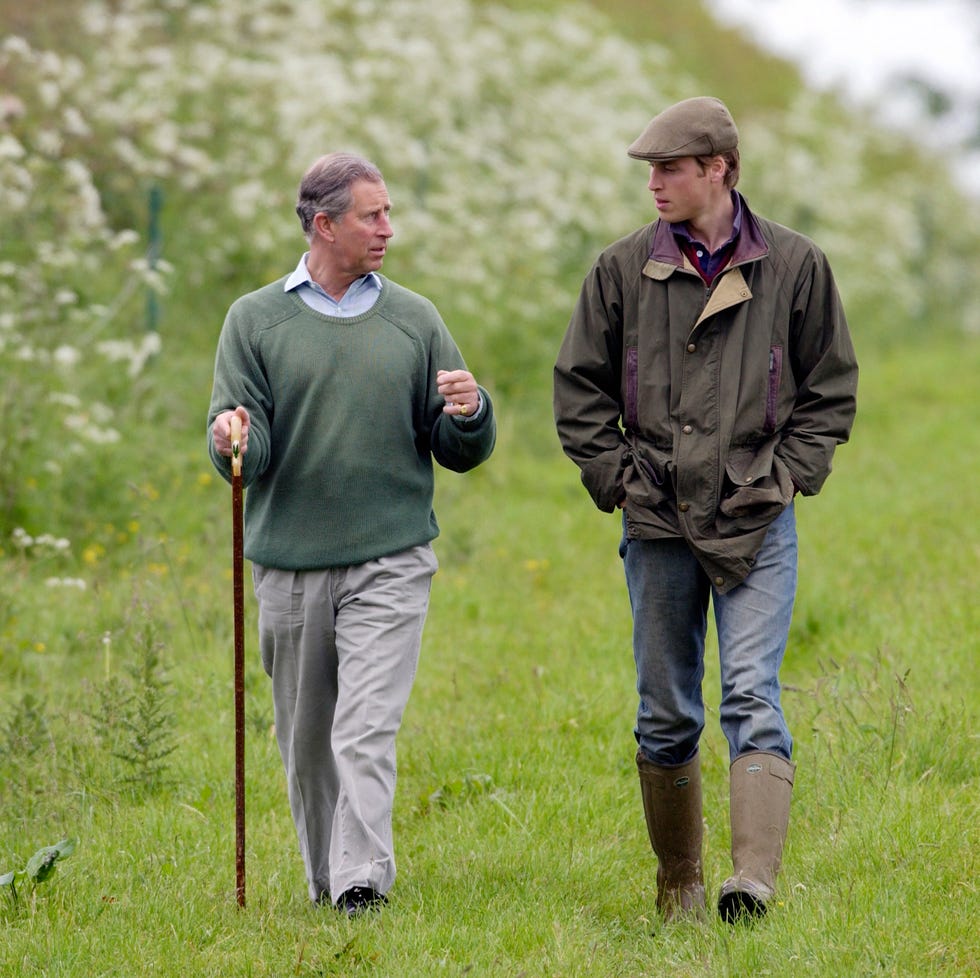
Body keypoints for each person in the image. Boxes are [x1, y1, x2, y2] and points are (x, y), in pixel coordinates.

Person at [553, 97, 857, 923]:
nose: (653, 185)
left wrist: (788, 474)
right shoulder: (620, 272)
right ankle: (679, 883)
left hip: (758, 517)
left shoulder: (796, 267)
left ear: (717, 169)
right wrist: (620, 480)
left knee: (752, 693)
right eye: (650, 171)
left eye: (669, 170)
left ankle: (750, 884)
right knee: (665, 710)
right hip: (655, 520)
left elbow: (830, 391)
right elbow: (578, 390)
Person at [207, 152, 496, 916]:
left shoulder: (415, 320)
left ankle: (361, 883)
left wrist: (469, 414)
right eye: (373, 216)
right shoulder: (254, 320)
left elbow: (456, 449)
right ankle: (325, 883)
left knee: (364, 728)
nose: (388, 230)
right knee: (307, 747)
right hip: (290, 565)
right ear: (324, 224)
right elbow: (249, 449)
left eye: (389, 213)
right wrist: (231, 436)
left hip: (391, 558)